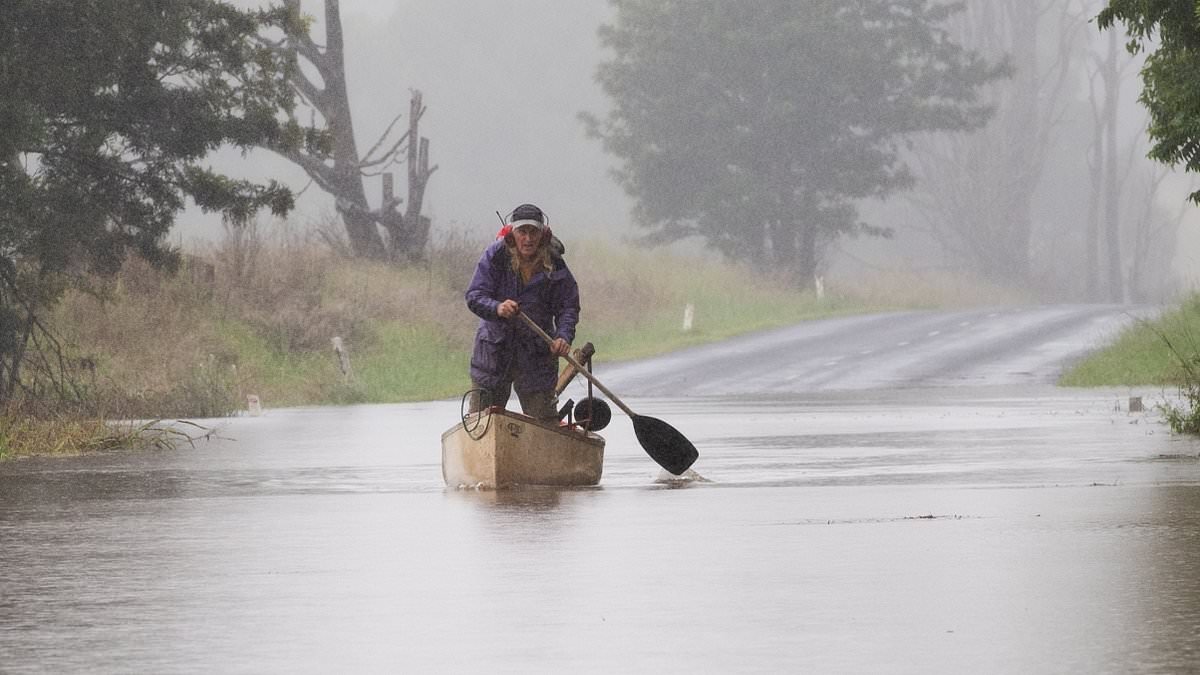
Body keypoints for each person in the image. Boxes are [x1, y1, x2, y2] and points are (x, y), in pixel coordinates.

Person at [465, 203, 580, 421]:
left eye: (533, 232)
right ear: (512, 234)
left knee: (544, 424)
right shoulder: (495, 256)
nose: (528, 239)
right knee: (480, 423)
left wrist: (563, 336)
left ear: (543, 235)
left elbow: (568, 306)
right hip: (494, 352)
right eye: (522, 232)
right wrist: (497, 308)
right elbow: (474, 296)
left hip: (536, 355)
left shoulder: (555, 265)